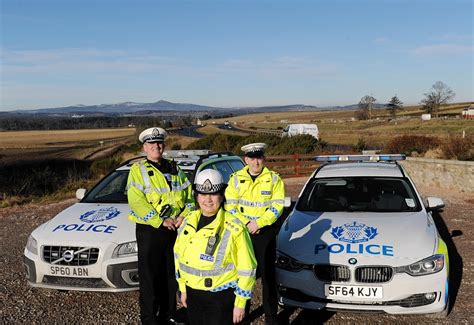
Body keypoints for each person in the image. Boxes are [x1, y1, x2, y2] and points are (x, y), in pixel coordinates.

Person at [127, 127, 195, 325]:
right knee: (150, 279)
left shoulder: (176, 169)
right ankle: (149, 319)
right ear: (144, 147)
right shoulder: (138, 171)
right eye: (151, 144)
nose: (156, 146)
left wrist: (183, 216)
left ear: (163, 145)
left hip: (173, 230)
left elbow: (189, 198)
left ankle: (168, 315)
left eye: (159, 143)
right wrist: (159, 221)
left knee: (170, 277)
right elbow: (136, 201)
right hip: (150, 231)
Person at [174, 169, 257, 325]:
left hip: (221, 298)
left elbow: (248, 268)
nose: (208, 200)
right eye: (203, 194)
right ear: (196, 196)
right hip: (193, 294)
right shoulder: (187, 221)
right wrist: (183, 288)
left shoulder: (235, 227)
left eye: (213, 194)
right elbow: (178, 256)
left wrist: (240, 304)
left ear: (222, 195)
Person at [225, 143, 285, 325]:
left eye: (259, 158)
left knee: (268, 277)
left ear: (263, 159)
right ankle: (243, 314)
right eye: (252, 158)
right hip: (243, 233)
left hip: (265, 233)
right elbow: (230, 206)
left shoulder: (274, 179)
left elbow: (277, 207)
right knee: (244, 274)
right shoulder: (235, 179)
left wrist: (259, 223)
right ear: (246, 160)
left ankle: (271, 317)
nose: (256, 162)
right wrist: (247, 224)